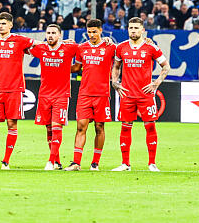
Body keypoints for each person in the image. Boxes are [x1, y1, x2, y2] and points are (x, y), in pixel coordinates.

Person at [112, 17, 170, 172]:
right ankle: (125, 164)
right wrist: (115, 82)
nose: (133, 31)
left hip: (146, 95)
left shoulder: (151, 47)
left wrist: (156, 83)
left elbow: (166, 66)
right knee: (125, 128)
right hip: (127, 95)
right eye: (131, 28)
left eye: (136, 28)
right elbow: (116, 66)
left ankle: (152, 163)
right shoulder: (121, 47)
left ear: (143, 30)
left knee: (150, 127)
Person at [0, 11, 35, 169]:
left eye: (4, 23)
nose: (1, 26)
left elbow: (38, 45)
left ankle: (6, 161)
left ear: (11, 25)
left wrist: (60, 43)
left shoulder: (19, 40)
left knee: (12, 124)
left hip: (14, 89)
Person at [65, 18, 115, 171]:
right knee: (81, 127)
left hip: (102, 94)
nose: (92, 34)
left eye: (94, 31)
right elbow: (76, 68)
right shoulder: (82, 48)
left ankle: (95, 163)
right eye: (89, 32)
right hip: (84, 93)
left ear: (101, 31)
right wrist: (59, 64)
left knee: (99, 127)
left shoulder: (110, 47)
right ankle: (76, 163)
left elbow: (124, 56)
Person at [30, 24, 78, 170]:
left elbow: (88, 49)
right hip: (44, 94)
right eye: (48, 33)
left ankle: (50, 161)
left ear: (59, 35)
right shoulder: (41, 49)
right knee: (49, 128)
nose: (50, 35)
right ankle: (57, 161)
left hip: (61, 95)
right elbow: (23, 49)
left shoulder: (69, 48)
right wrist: (36, 42)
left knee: (57, 126)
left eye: (53, 33)